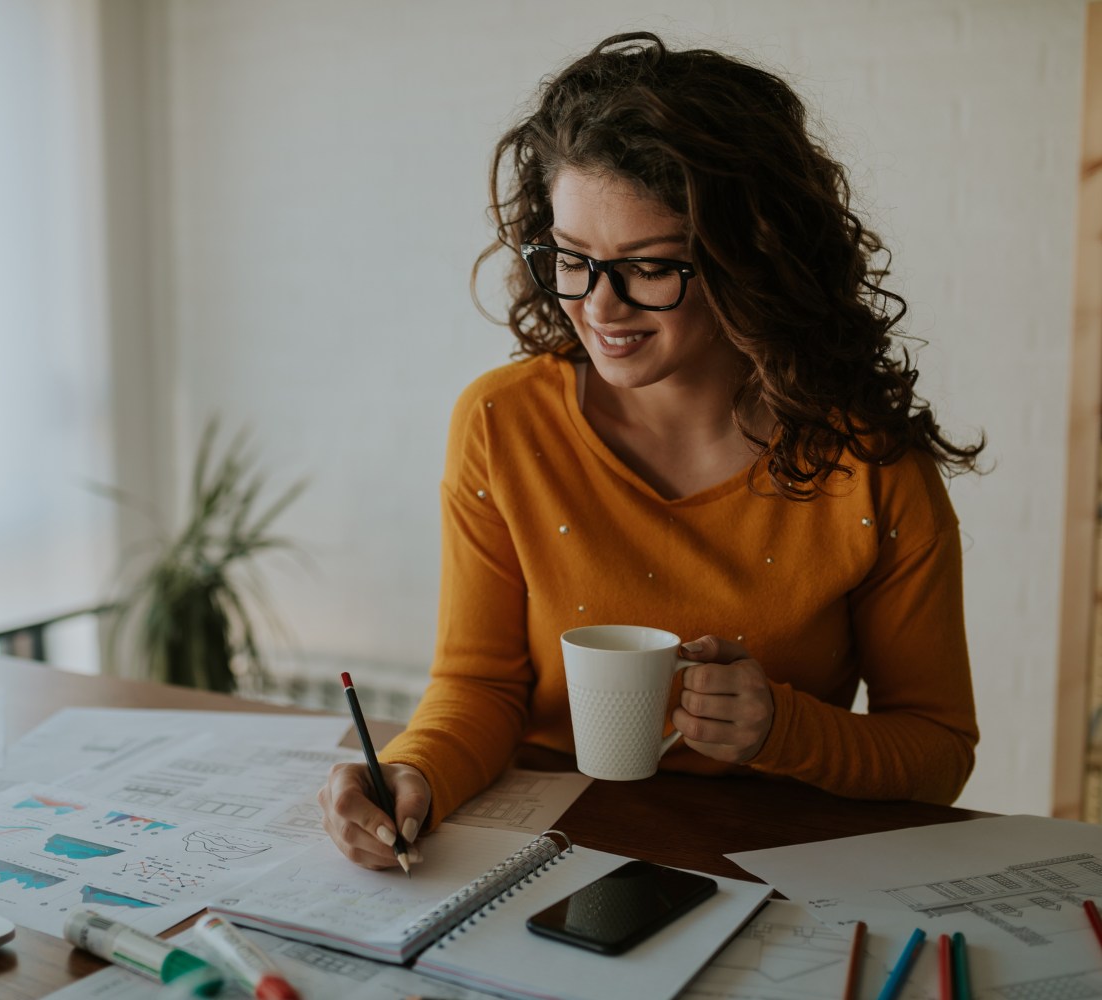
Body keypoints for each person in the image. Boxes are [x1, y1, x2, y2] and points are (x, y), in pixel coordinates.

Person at [319, 31, 984, 871]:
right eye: (572, 259)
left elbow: (938, 753)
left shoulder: (872, 467)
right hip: (541, 853)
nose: (600, 306)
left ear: (752, 261)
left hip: (779, 871)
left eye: (649, 267)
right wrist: (412, 771)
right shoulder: (502, 422)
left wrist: (782, 730)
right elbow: (479, 687)